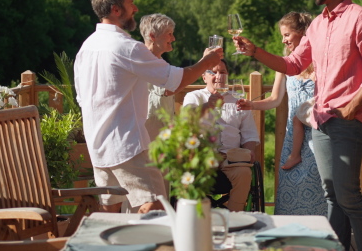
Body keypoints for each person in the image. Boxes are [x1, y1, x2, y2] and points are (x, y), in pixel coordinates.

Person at [233, 0, 362, 250]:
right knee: (333, 197)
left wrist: (352, 108)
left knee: (350, 198)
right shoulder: (317, 26)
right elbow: (292, 64)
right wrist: (255, 51)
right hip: (321, 121)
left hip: (349, 121)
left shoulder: (360, 18)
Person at [74, 0, 223, 214]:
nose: (136, 9)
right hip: (126, 145)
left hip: (97, 146)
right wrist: (207, 62)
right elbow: (176, 80)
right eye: (131, 3)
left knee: (112, 215)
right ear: (116, 9)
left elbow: (81, 99)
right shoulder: (127, 47)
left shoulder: (86, 47)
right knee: (155, 208)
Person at [236, 12, 326, 216]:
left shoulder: (322, 63)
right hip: (293, 139)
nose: (283, 40)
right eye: (282, 36)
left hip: (317, 135)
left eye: (287, 35)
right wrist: (251, 104)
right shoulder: (284, 65)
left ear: (303, 33)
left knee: (317, 187)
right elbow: (275, 99)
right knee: (289, 187)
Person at [183, 60, 260, 212]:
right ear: (204, 77)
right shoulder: (193, 97)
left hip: (231, 159)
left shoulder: (238, 100)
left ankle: (234, 217)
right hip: (202, 158)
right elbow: (187, 123)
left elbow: (249, 134)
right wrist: (208, 106)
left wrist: (249, 151)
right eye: (213, 72)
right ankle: (199, 217)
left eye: (223, 72)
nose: (219, 76)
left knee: (244, 173)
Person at [140, 13, 177, 199]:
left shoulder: (161, 63)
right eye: (169, 33)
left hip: (162, 146)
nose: (173, 38)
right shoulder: (142, 63)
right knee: (146, 199)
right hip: (145, 146)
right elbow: (169, 89)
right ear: (153, 36)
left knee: (162, 196)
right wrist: (205, 63)